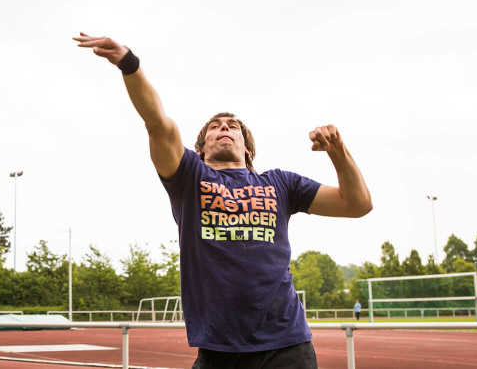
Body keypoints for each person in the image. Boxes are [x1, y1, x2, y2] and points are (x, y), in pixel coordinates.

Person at [74, 33, 373, 369]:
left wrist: (339, 153)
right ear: (201, 149)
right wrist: (130, 64)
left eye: (233, 126)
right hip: (218, 350)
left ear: (247, 147)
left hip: (286, 345)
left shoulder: (281, 183)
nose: (225, 129)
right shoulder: (190, 177)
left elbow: (357, 204)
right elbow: (158, 124)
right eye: (215, 127)